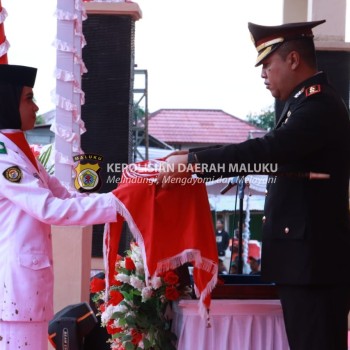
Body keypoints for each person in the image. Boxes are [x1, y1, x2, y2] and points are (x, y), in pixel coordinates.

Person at [158, 19, 350, 350]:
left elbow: (267, 150)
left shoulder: (318, 106)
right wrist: (191, 157)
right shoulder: (302, 104)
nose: (263, 73)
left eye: (267, 63)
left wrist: (193, 163)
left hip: (315, 267)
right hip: (306, 264)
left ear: (293, 60)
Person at [0, 64, 125, 350]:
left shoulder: (19, 151)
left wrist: (119, 200)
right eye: (28, 98)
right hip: (14, 291)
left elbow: (65, 196)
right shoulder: (4, 156)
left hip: (27, 291)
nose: (36, 106)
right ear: (8, 102)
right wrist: (117, 205)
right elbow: (51, 209)